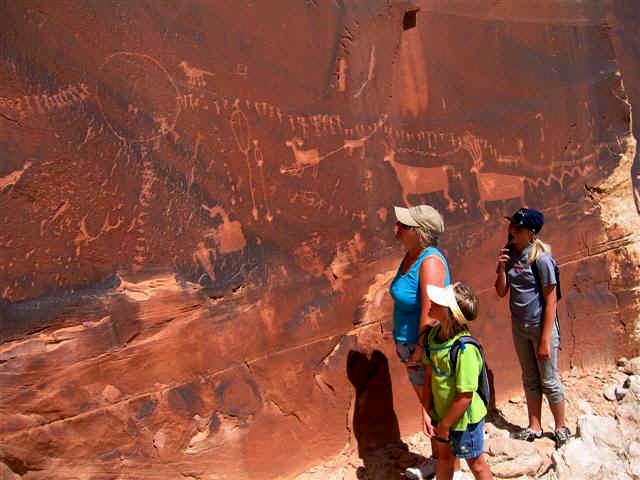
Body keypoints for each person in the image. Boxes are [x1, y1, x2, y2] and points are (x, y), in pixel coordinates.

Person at [389, 205, 462, 480]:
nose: (396, 229)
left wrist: (421, 350)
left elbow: (430, 313)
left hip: (422, 350)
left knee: (436, 409)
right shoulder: (411, 256)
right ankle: (439, 461)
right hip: (409, 347)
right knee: (430, 409)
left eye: (403, 226)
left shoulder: (429, 262)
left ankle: (451, 467)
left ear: (419, 233)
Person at [494, 207, 571, 448]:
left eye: (517, 227)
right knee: (529, 378)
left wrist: (545, 340)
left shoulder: (541, 259)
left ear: (532, 232)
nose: (511, 231)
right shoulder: (511, 255)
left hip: (540, 327)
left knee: (549, 380)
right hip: (519, 326)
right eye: (511, 226)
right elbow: (500, 291)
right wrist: (501, 269)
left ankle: (561, 427)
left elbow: (551, 301)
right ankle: (534, 427)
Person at [421, 282, 493, 480]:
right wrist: (426, 411)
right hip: (441, 416)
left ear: (450, 314)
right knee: (444, 459)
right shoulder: (432, 337)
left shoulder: (465, 350)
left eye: (438, 302)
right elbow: (429, 376)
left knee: (476, 464)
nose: (432, 302)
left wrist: (445, 425)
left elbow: (465, 396)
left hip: (464, 422)